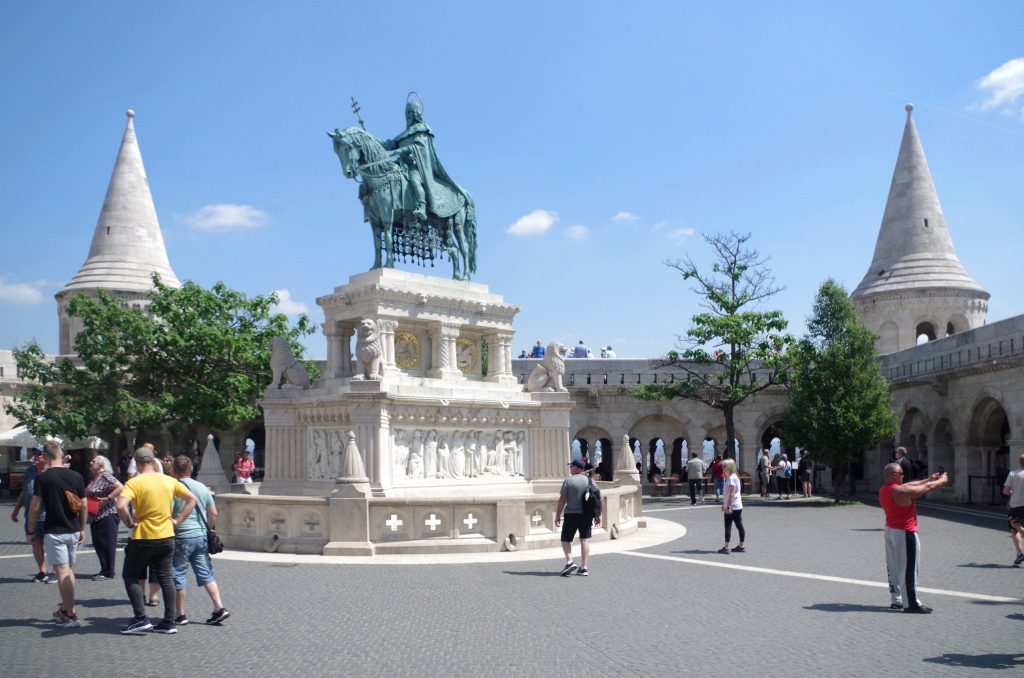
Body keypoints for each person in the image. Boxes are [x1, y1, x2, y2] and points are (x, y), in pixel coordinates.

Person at [116, 447, 197, 635]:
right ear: (153, 461)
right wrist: (177, 520)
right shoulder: (169, 481)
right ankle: (169, 622)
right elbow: (191, 499)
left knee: (130, 575)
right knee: (166, 578)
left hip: (143, 536)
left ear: (136, 463)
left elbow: (120, 505)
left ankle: (140, 618)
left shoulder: (134, 482)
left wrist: (129, 522)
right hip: (167, 535)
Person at [29, 440, 86, 628]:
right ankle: (67, 608)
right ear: (62, 455)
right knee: (69, 571)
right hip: (72, 530)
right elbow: (84, 505)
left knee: (61, 572)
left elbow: (35, 507)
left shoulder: (43, 478)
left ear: (45, 457)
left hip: (54, 531)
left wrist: (30, 530)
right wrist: (82, 528)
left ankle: (70, 615)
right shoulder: (76, 476)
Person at [879, 463, 948, 613]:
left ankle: (897, 599)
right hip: (904, 532)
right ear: (894, 475)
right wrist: (941, 481)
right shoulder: (898, 491)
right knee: (909, 568)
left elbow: (911, 485)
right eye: (901, 474)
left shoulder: (885, 489)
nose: (903, 476)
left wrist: (928, 479)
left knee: (894, 567)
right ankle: (911, 603)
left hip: (890, 530)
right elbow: (925, 489)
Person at [171, 456, 230, 625]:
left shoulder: (174, 488)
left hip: (181, 535)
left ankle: (180, 614)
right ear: (191, 469)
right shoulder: (202, 487)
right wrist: (209, 529)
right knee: (206, 573)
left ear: (174, 471)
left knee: (179, 574)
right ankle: (219, 606)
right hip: (200, 536)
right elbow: (214, 513)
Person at [554, 458, 602, 577]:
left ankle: (570, 562)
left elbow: (562, 501)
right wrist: (598, 515)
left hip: (571, 514)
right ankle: (584, 568)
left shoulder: (568, 481)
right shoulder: (590, 481)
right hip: (586, 515)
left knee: (565, 539)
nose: (570, 468)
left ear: (576, 468)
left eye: (571, 467)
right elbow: (600, 499)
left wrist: (557, 515)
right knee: (584, 540)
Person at [11, 448, 48, 583]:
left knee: (52, 544)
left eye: (39, 454)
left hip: (49, 515)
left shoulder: (52, 471)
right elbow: (24, 491)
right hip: (31, 516)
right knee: (36, 543)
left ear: (46, 456)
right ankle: (42, 571)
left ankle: (57, 571)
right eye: (35, 454)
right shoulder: (30, 470)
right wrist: (16, 509)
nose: (36, 456)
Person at [86, 454, 123, 580]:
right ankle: (104, 569)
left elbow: (120, 486)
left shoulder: (105, 475)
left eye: (94, 461)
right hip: (96, 515)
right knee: (99, 544)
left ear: (101, 465)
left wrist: (108, 498)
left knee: (107, 544)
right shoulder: (95, 478)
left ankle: (108, 571)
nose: (91, 462)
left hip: (107, 514)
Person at [718, 459, 746, 554]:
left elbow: (731, 494)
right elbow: (729, 494)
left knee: (728, 526)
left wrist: (728, 506)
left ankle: (726, 547)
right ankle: (741, 545)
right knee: (739, 525)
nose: (722, 468)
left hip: (732, 506)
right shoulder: (734, 477)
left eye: (724, 466)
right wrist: (724, 504)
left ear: (729, 467)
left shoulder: (731, 478)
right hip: (737, 506)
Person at [1002, 453, 1024, 566]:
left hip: (1016, 506)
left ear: (1020, 463)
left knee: (1015, 530)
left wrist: (1012, 492)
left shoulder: (1013, 474)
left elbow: (1005, 491)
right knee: (1020, 529)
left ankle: (1020, 553)